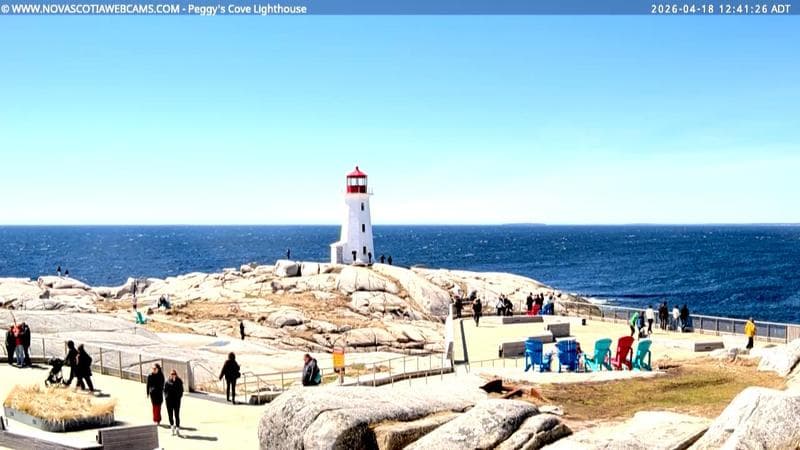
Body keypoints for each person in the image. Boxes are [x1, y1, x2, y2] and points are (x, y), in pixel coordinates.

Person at [164, 369, 184, 436]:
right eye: (172, 374)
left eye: (174, 374)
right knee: (170, 415)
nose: (173, 375)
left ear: (176, 374)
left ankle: (177, 429)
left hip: (176, 402)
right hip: (169, 402)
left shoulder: (179, 381)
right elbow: (165, 391)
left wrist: (179, 397)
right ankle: (172, 427)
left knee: (177, 415)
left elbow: (181, 391)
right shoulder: (167, 382)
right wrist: (166, 398)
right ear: (170, 375)